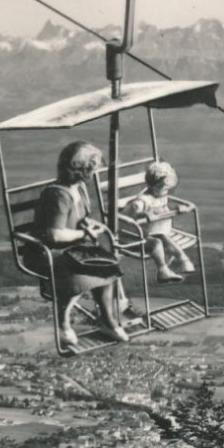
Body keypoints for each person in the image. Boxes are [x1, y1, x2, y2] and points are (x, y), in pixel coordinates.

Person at [28, 140, 127, 346]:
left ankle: (108, 321)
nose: (95, 173)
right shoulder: (58, 194)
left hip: (72, 250)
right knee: (83, 276)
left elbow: (80, 218)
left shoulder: (78, 188)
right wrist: (82, 234)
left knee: (107, 268)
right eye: (93, 168)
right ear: (83, 169)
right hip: (48, 253)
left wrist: (87, 226)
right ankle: (63, 324)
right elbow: (54, 235)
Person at [119, 160, 195, 282]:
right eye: (164, 189)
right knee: (157, 243)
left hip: (155, 232)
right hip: (136, 235)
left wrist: (181, 208)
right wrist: (143, 212)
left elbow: (171, 203)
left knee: (165, 239)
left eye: (167, 189)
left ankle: (183, 259)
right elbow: (132, 211)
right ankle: (162, 269)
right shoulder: (144, 200)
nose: (166, 192)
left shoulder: (161, 196)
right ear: (154, 186)